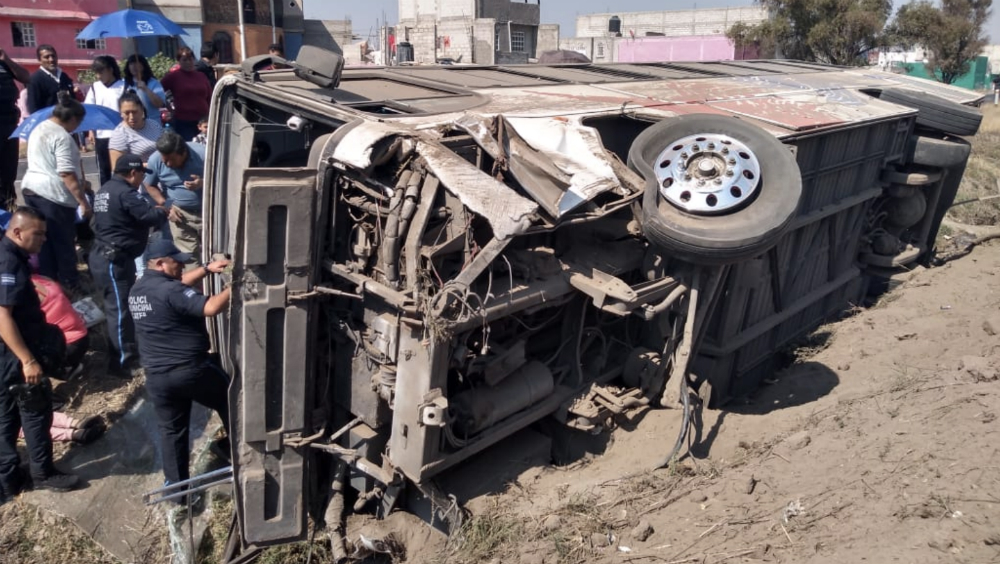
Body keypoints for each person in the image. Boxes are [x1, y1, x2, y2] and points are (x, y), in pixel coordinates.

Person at [129, 239, 230, 488]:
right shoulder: (171, 291)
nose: (182, 268)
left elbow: (177, 288)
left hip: (157, 378)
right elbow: (211, 307)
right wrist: (238, 284)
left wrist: (206, 269)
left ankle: (176, 489)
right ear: (161, 264)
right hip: (191, 371)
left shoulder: (138, 290)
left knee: (172, 432)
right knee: (233, 401)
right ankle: (241, 452)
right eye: (178, 263)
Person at [0, 207, 81, 500]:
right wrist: (28, 360)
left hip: (7, 356)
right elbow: (3, 316)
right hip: (16, 357)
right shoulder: (8, 262)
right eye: (39, 234)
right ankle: (43, 474)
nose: (43, 240)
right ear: (18, 232)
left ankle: (8, 480)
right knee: (34, 412)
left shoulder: (11, 257)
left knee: (6, 417)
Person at [91, 154, 166, 376]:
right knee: (120, 309)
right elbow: (147, 216)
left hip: (105, 255)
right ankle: (123, 363)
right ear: (133, 173)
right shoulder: (126, 193)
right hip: (114, 259)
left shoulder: (105, 189)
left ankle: (125, 353)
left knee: (117, 307)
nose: (143, 178)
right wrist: (162, 212)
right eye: (142, 174)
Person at [20, 93, 91, 291]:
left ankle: (49, 284)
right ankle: (70, 284)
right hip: (54, 195)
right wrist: (82, 201)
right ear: (73, 119)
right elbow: (66, 172)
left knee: (43, 242)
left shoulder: (38, 129)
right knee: (63, 242)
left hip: (31, 189)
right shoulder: (62, 137)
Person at [144, 130, 205, 263]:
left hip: (208, 212)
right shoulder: (155, 160)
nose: (168, 164)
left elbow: (224, 180)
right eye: (164, 160)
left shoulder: (203, 154)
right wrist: (167, 206)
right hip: (179, 214)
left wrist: (203, 183)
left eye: (171, 159)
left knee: (214, 252)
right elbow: (149, 185)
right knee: (188, 258)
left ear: (183, 153)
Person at [32, 274, 89, 379]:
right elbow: (69, 294)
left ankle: (63, 369)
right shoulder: (41, 278)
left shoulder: (21, 292)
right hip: (81, 337)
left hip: (63, 347)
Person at [84, 56, 125, 187]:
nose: (98, 76)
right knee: (104, 169)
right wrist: (91, 130)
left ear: (110, 70)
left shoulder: (123, 86)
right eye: (96, 72)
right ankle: (106, 196)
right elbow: (90, 110)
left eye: (101, 72)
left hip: (120, 133)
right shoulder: (95, 87)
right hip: (101, 135)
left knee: (121, 168)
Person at [0, 48, 30, 211]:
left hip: (9, 124)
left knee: (9, 172)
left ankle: (8, 206)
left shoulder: (4, 64)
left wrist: (6, 59)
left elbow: (26, 77)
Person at [161, 47, 211, 141]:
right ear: (178, 61)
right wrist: (169, 108)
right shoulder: (173, 77)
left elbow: (209, 96)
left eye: (190, 59)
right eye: (184, 60)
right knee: (189, 149)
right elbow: (159, 92)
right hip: (184, 121)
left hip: (203, 120)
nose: (188, 62)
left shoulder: (201, 76)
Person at [108, 90, 163, 167]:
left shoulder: (154, 125)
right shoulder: (119, 135)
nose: (132, 117)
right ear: (121, 113)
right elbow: (117, 167)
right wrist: (149, 165)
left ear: (142, 110)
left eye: (135, 112)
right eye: (127, 113)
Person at [26, 45, 83, 114]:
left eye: (53, 56)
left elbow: (73, 99)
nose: (51, 59)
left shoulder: (64, 76)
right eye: (46, 57)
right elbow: (33, 108)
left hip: (67, 120)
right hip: (48, 121)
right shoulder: (35, 80)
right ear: (39, 60)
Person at [123, 54, 165, 120]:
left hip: (151, 122)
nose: (134, 66)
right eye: (131, 64)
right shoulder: (124, 83)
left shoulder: (153, 83)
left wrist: (146, 89)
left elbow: (160, 104)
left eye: (137, 63)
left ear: (143, 66)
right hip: (131, 123)